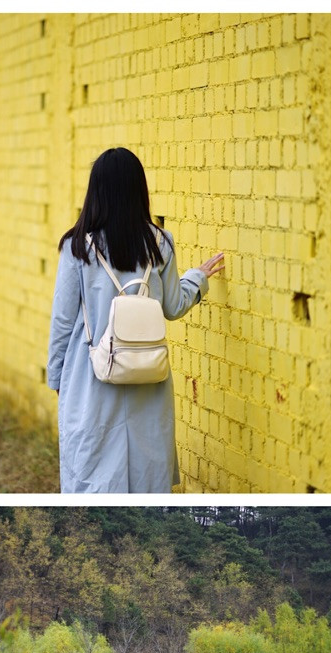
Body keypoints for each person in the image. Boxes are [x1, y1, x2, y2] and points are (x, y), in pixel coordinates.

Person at [47, 147, 224, 493]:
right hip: (148, 377)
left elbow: (63, 322)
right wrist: (197, 278)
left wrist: (57, 377)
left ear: (95, 191)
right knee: (147, 480)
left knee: (92, 479)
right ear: (138, 189)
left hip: (92, 378)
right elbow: (173, 306)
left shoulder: (76, 248)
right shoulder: (160, 243)